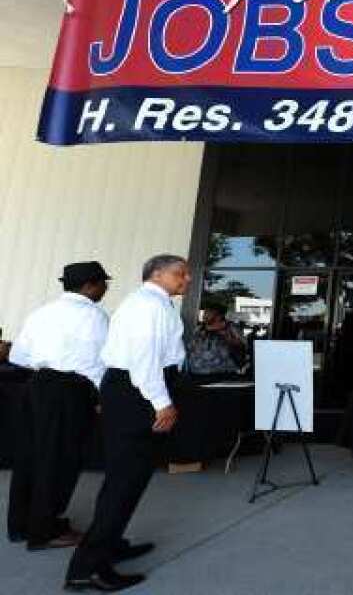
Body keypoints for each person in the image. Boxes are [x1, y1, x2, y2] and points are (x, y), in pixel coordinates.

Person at [66, 254, 190, 593]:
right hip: (138, 391)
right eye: (180, 272)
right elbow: (143, 359)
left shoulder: (156, 303)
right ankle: (86, 568)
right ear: (157, 274)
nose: (187, 278)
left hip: (136, 390)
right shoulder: (146, 306)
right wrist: (162, 403)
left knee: (129, 479)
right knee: (124, 481)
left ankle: (111, 544)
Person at [6, 262, 109, 551]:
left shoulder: (42, 312)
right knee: (60, 460)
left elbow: (18, 355)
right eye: (103, 283)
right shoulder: (95, 316)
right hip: (71, 391)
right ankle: (45, 531)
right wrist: (102, 398)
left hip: (36, 386)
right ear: (90, 285)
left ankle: (22, 525)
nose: (105, 289)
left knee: (30, 457)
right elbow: (99, 362)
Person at [186, 304, 245, 378]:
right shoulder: (199, 329)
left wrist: (225, 334)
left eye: (208, 312)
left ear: (218, 316)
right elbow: (190, 347)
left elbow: (241, 348)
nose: (204, 315)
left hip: (221, 376)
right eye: (205, 312)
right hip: (196, 374)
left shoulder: (231, 328)